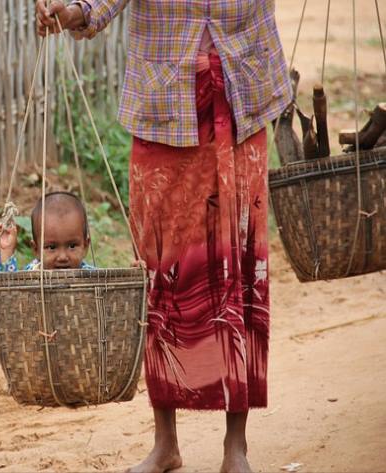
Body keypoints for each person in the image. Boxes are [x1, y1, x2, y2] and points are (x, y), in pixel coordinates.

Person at [36, 1, 293, 472]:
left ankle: (236, 446)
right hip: (165, 108)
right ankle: (165, 444)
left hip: (241, 98)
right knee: (163, 274)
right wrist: (73, 11)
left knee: (239, 270)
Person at [0, 191, 95, 271]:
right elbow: (10, 288)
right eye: (51, 247)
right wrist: (6, 251)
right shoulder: (32, 275)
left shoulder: (93, 278)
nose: (62, 257)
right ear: (36, 250)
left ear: (85, 246)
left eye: (72, 246)